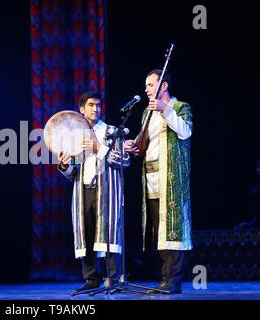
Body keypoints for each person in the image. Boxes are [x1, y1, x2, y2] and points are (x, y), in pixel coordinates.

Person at [125, 70, 193, 294]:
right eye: (146, 85)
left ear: (163, 85)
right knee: (159, 230)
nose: (146, 89)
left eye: (150, 84)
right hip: (151, 176)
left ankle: (174, 280)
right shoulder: (146, 112)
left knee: (173, 229)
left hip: (171, 177)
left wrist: (167, 111)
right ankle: (165, 278)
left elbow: (185, 132)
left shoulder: (181, 107)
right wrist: (133, 145)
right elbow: (146, 141)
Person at [58, 91, 130, 293]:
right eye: (90, 105)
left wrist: (100, 147)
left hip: (107, 190)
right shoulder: (74, 137)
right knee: (87, 234)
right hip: (84, 191)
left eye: (98, 105)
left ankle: (113, 279)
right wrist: (65, 165)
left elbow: (124, 160)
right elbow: (72, 173)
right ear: (82, 109)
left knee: (109, 233)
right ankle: (91, 279)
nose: (95, 109)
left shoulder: (112, 131)